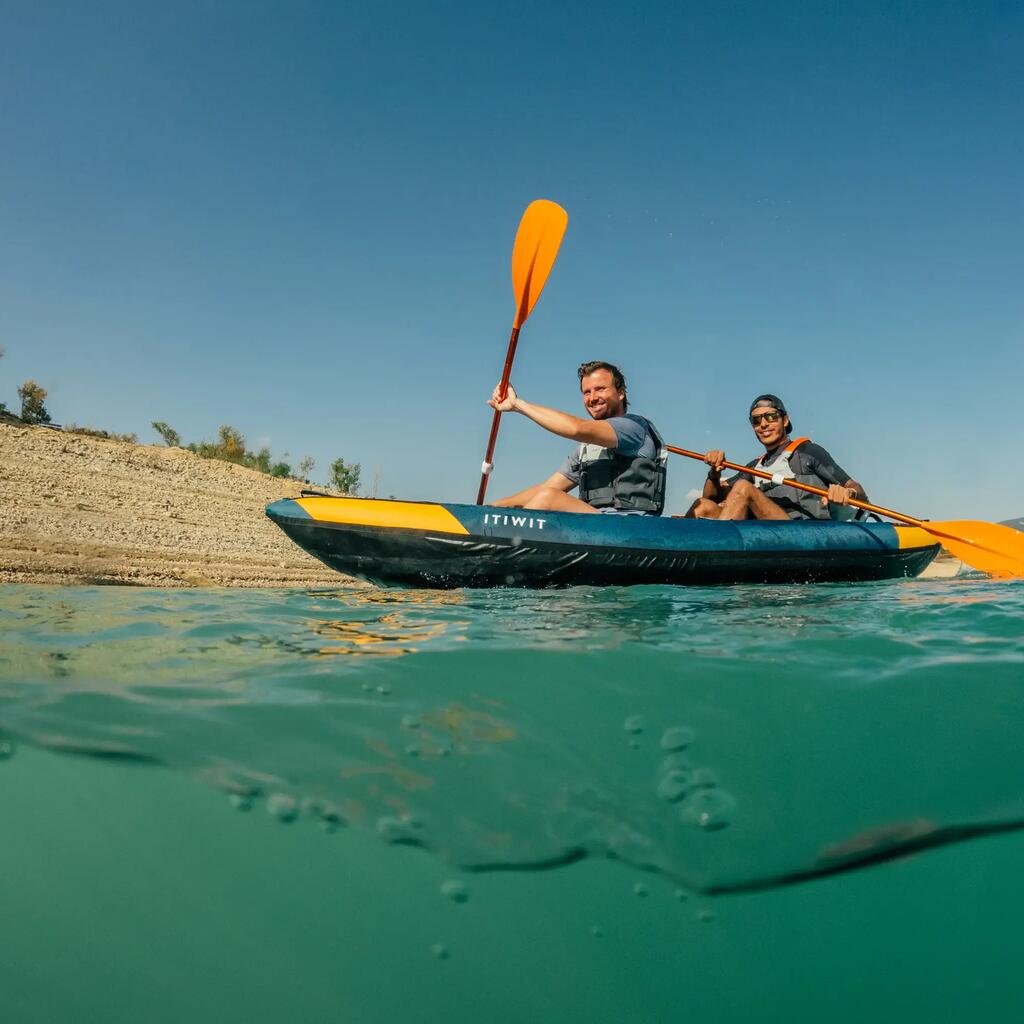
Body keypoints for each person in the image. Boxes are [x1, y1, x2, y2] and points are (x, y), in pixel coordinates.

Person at [487, 361, 667, 515]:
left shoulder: (632, 427)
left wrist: (518, 405)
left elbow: (576, 428)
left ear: (621, 393)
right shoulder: (587, 449)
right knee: (546, 494)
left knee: (549, 498)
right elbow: (546, 487)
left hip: (632, 528)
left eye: (600, 389)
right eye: (586, 392)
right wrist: (493, 507)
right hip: (594, 525)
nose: (592, 398)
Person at [687, 394, 867, 521]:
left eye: (771, 417)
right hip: (766, 535)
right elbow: (712, 497)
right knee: (703, 506)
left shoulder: (808, 452)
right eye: (756, 420)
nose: (763, 424)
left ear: (785, 420)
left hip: (804, 535)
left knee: (743, 487)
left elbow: (856, 489)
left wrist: (847, 493)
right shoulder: (754, 467)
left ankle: (717, 555)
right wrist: (714, 473)